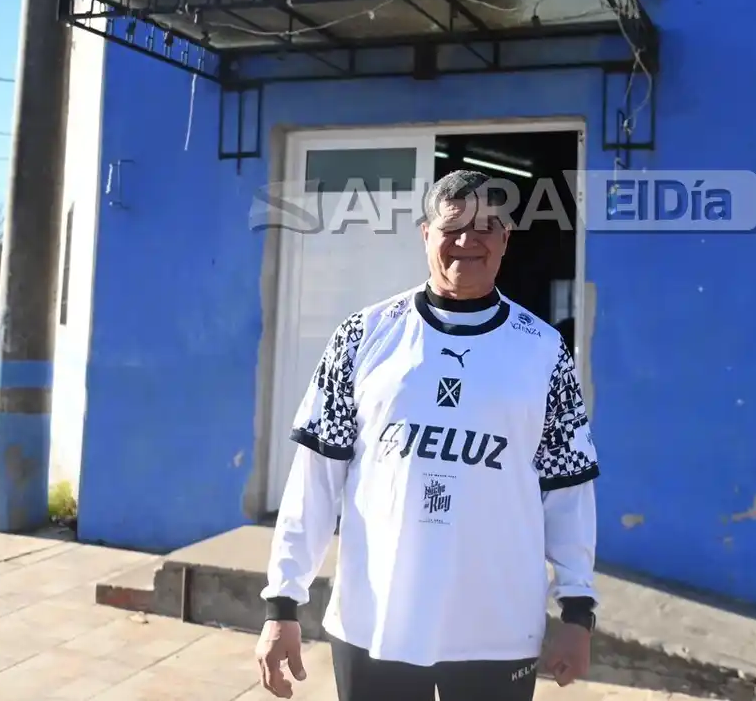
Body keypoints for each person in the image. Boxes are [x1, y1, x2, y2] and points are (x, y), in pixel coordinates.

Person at [256, 170, 600, 700]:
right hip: (377, 624)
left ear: (506, 239)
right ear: (424, 233)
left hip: (498, 631)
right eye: (452, 225)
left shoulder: (545, 352)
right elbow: (315, 481)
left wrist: (578, 611)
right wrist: (283, 602)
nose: (468, 241)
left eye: (486, 226)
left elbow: (568, 489)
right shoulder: (363, 335)